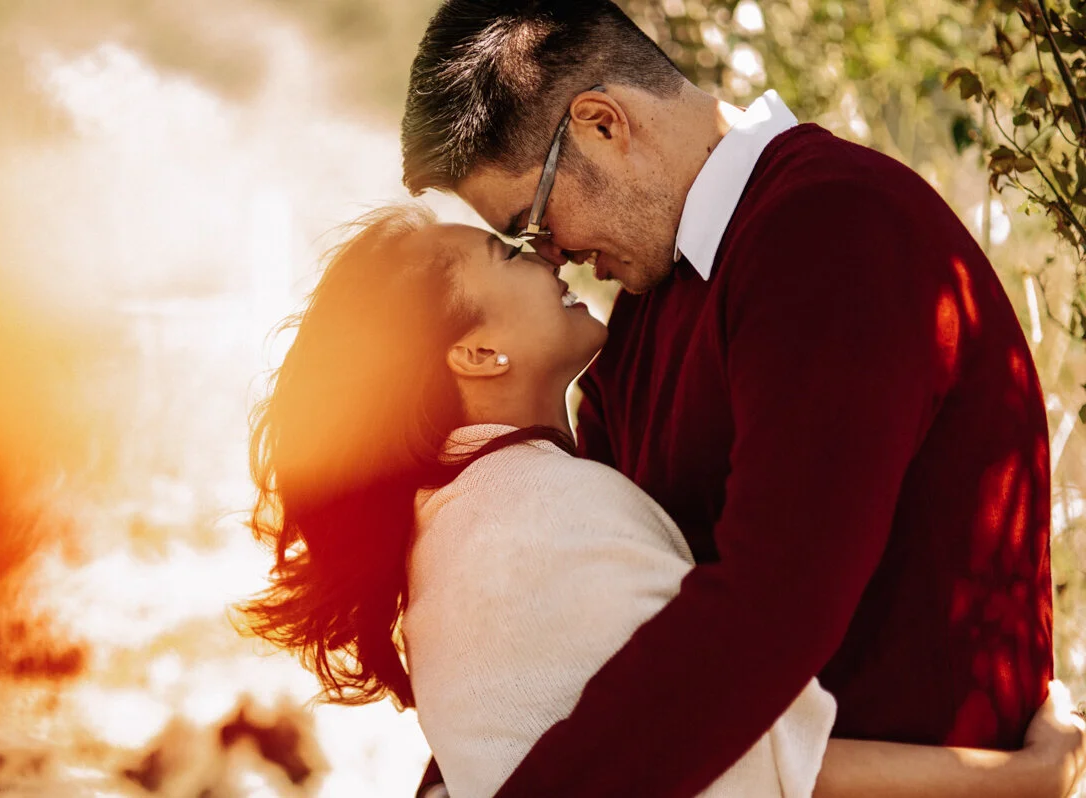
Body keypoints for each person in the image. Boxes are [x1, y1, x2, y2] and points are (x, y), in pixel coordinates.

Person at [399, 1, 1066, 795]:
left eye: (533, 222)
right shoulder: (647, 313)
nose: (553, 259)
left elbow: (769, 609)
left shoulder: (833, 230)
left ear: (603, 125)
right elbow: (596, 636)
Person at [242, 206, 1086, 798]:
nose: (546, 256)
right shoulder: (535, 519)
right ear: (480, 353)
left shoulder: (465, 524)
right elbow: (743, 766)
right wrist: (1023, 781)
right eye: (507, 253)